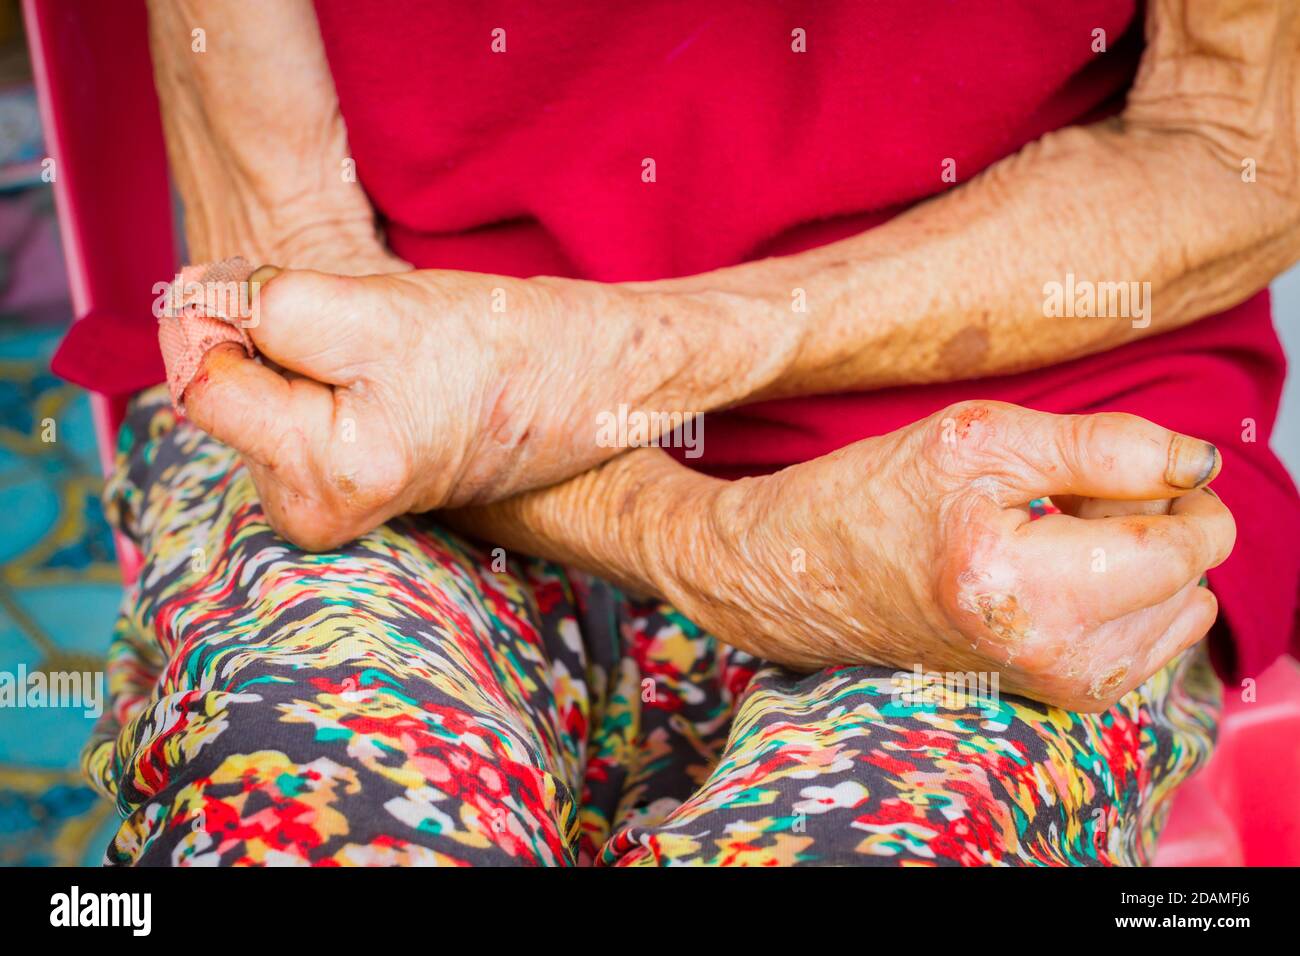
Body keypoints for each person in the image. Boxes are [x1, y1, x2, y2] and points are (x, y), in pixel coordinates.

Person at [65, 0, 1297, 865]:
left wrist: (638, 358)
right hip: (391, 387)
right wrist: (720, 544)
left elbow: (1240, 147)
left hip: (1011, 416)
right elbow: (293, 255)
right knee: (306, 809)